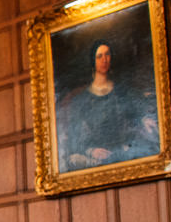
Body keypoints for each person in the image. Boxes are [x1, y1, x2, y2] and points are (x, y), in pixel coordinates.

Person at [57, 40, 160, 171]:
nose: (104, 59)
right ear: (92, 61)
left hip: (123, 151)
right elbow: (74, 139)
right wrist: (91, 150)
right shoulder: (81, 100)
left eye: (107, 54)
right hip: (97, 157)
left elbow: (137, 110)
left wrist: (145, 118)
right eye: (99, 56)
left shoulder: (122, 91)